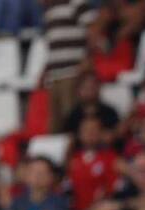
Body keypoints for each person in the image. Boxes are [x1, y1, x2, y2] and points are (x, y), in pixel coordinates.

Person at [43, 0, 98, 133]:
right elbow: (54, 45)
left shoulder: (77, 3)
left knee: (71, 121)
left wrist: (87, 58)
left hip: (72, 73)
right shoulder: (51, 9)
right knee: (55, 125)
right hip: (54, 76)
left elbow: (93, 30)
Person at [67, 117, 119, 210]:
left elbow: (112, 189)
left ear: (101, 133)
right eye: (86, 130)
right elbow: (66, 189)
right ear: (79, 134)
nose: (90, 133)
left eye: (94, 130)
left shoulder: (111, 157)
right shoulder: (72, 159)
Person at [62, 72, 121, 141]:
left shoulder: (110, 113)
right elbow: (67, 139)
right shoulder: (72, 117)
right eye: (85, 87)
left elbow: (117, 136)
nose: (89, 91)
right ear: (78, 90)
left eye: (92, 87)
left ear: (99, 88)